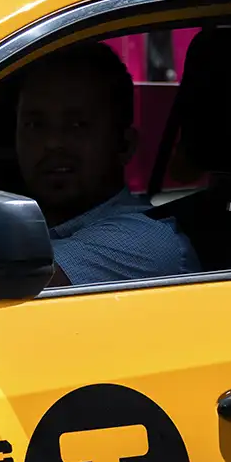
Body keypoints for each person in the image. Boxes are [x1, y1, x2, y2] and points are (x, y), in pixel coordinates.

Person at [15, 42, 199, 287]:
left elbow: (3, 286)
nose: (52, 142)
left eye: (77, 125)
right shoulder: (34, 227)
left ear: (124, 145)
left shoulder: (144, 241)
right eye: (35, 125)